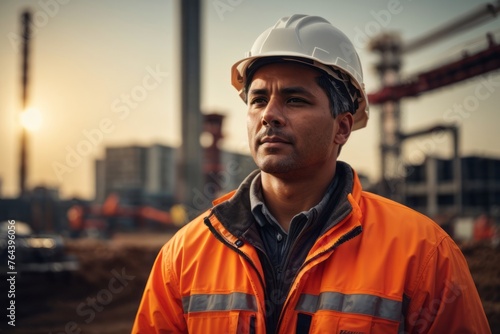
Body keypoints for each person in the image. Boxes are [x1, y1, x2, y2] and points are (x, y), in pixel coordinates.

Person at [132, 14, 491, 333]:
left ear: (343, 128)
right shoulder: (183, 255)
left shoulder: (424, 254)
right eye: (258, 100)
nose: (268, 115)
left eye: (295, 99)